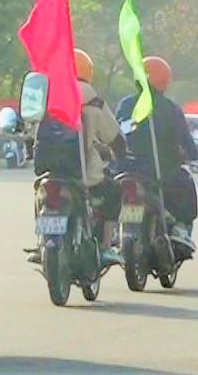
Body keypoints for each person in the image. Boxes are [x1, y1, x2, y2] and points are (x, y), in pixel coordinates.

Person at [28, 49, 126, 266]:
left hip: (48, 170)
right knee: (113, 192)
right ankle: (106, 246)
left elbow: (32, 131)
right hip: (83, 172)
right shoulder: (92, 100)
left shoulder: (48, 95)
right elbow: (113, 136)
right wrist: (119, 153)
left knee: (41, 195)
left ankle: (41, 242)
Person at [114, 56, 198, 250]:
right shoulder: (171, 109)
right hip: (161, 171)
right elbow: (186, 142)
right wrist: (193, 155)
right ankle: (180, 229)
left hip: (127, 169)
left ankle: (110, 233)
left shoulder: (125, 105)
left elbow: (115, 133)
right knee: (186, 183)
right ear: (165, 81)